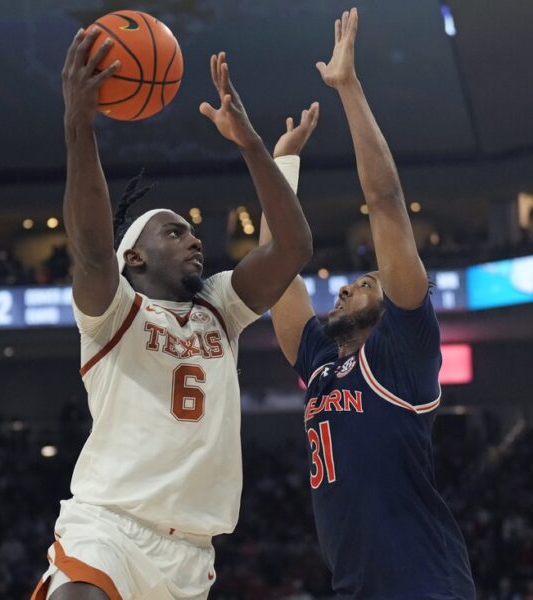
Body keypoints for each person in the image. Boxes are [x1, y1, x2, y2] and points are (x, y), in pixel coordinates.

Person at [31, 25, 318, 600]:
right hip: (106, 526)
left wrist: (254, 147)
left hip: (189, 553)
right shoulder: (112, 313)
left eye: (193, 232)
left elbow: (292, 249)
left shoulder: (219, 307)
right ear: (133, 255)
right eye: (175, 231)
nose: (195, 241)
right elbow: (89, 247)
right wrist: (78, 125)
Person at [259, 8, 476, 599]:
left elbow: (384, 202)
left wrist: (349, 87)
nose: (347, 286)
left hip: (425, 586)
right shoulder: (321, 362)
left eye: (367, 282)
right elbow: (275, 269)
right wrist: (280, 166)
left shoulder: (403, 351)